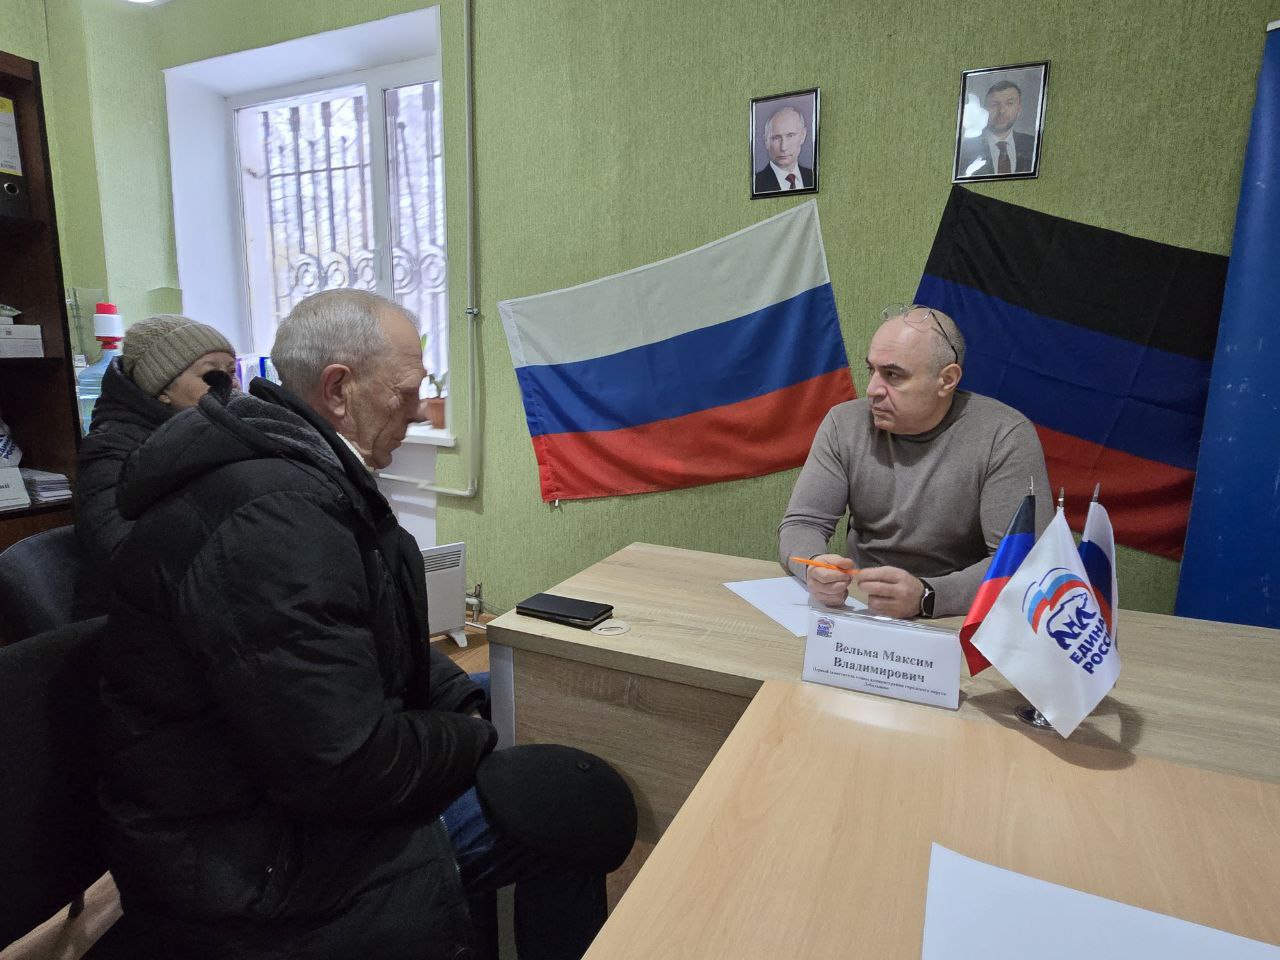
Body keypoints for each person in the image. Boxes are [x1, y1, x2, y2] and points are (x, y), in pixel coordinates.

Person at [99, 290, 614, 960]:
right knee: (576, 805)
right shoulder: (272, 517)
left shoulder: (299, 474)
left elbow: (372, 644)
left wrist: (468, 704)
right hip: (249, 867)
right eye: (406, 392)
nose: (420, 410)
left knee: (525, 697)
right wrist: (477, 738)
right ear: (339, 390)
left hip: (279, 802)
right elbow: (344, 768)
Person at [777, 303, 1051, 620]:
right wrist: (814, 566)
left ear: (946, 380)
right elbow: (803, 524)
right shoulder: (845, 423)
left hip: (959, 614)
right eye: (872, 370)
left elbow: (1023, 562)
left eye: (893, 375)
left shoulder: (1004, 435)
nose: (872, 390)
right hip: (861, 605)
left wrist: (926, 596)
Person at [74, 313, 238, 571]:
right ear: (163, 390)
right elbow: (120, 548)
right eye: (210, 374)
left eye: (231, 371)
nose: (230, 384)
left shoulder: (226, 432)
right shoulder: (110, 449)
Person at [956, 79, 1036, 177]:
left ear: (1018, 109)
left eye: (1009, 103)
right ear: (984, 109)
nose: (1002, 111)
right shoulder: (965, 149)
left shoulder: (1033, 145)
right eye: (994, 104)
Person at [754, 105, 814, 193]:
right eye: (776, 138)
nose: (783, 147)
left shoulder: (814, 177)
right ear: (766, 141)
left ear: (803, 135)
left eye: (790, 136)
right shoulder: (755, 184)